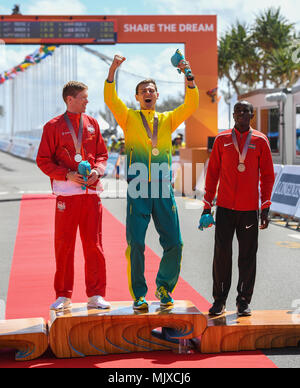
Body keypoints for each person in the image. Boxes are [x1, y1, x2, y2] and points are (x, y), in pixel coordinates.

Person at [104, 54, 199, 310]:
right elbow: (111, 99)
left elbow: (190, 105)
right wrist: (113, 69)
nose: (148, 93)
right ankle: (139, 293)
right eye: (143, 90)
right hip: (138, 188)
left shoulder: (168, 120)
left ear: (157, 96)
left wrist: (188, 75)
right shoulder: (128, 118)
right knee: (136, 243)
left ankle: (164, 288)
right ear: (137, 97)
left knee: (175, 243)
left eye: (151, 90)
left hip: (162, 187)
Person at [36, 81, 111, 311]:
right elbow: (43, 160)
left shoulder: (92, 123)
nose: (87, 101)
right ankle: (63, 295)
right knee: (64, 246)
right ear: (70, 99)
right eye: (83, 98)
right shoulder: (53, 126)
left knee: (94, 246)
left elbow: (102, 154)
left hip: (90, 194)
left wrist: (98, 170)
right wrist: (67, 174)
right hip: (66, 195)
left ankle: (96, 294)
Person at [199, 101, 275, 316]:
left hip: (249, 209)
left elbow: (268, 176)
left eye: (246, 111)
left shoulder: (260, 140)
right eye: (239, 111)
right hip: (224, 208)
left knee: (247, 256)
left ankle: (243, 300)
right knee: (221, 255)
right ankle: (219, 300)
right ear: (233, 115)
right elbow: (212, 173)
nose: (242, 114)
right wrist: (207, 205)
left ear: (252, 115)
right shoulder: (222, 140)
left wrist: (265, 206)